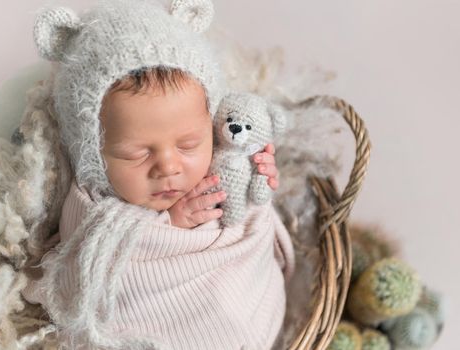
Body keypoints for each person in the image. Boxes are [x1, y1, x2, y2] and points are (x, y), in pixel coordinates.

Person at [22, 1, 295, 349]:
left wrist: (260, 177)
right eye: (136, 153)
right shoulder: (89, 201)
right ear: (91, 152)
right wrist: (170, 224)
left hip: (245, 298)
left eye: (188, 144)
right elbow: (89, 257)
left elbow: (252, 215)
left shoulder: (222, 159)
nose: (168, 167)